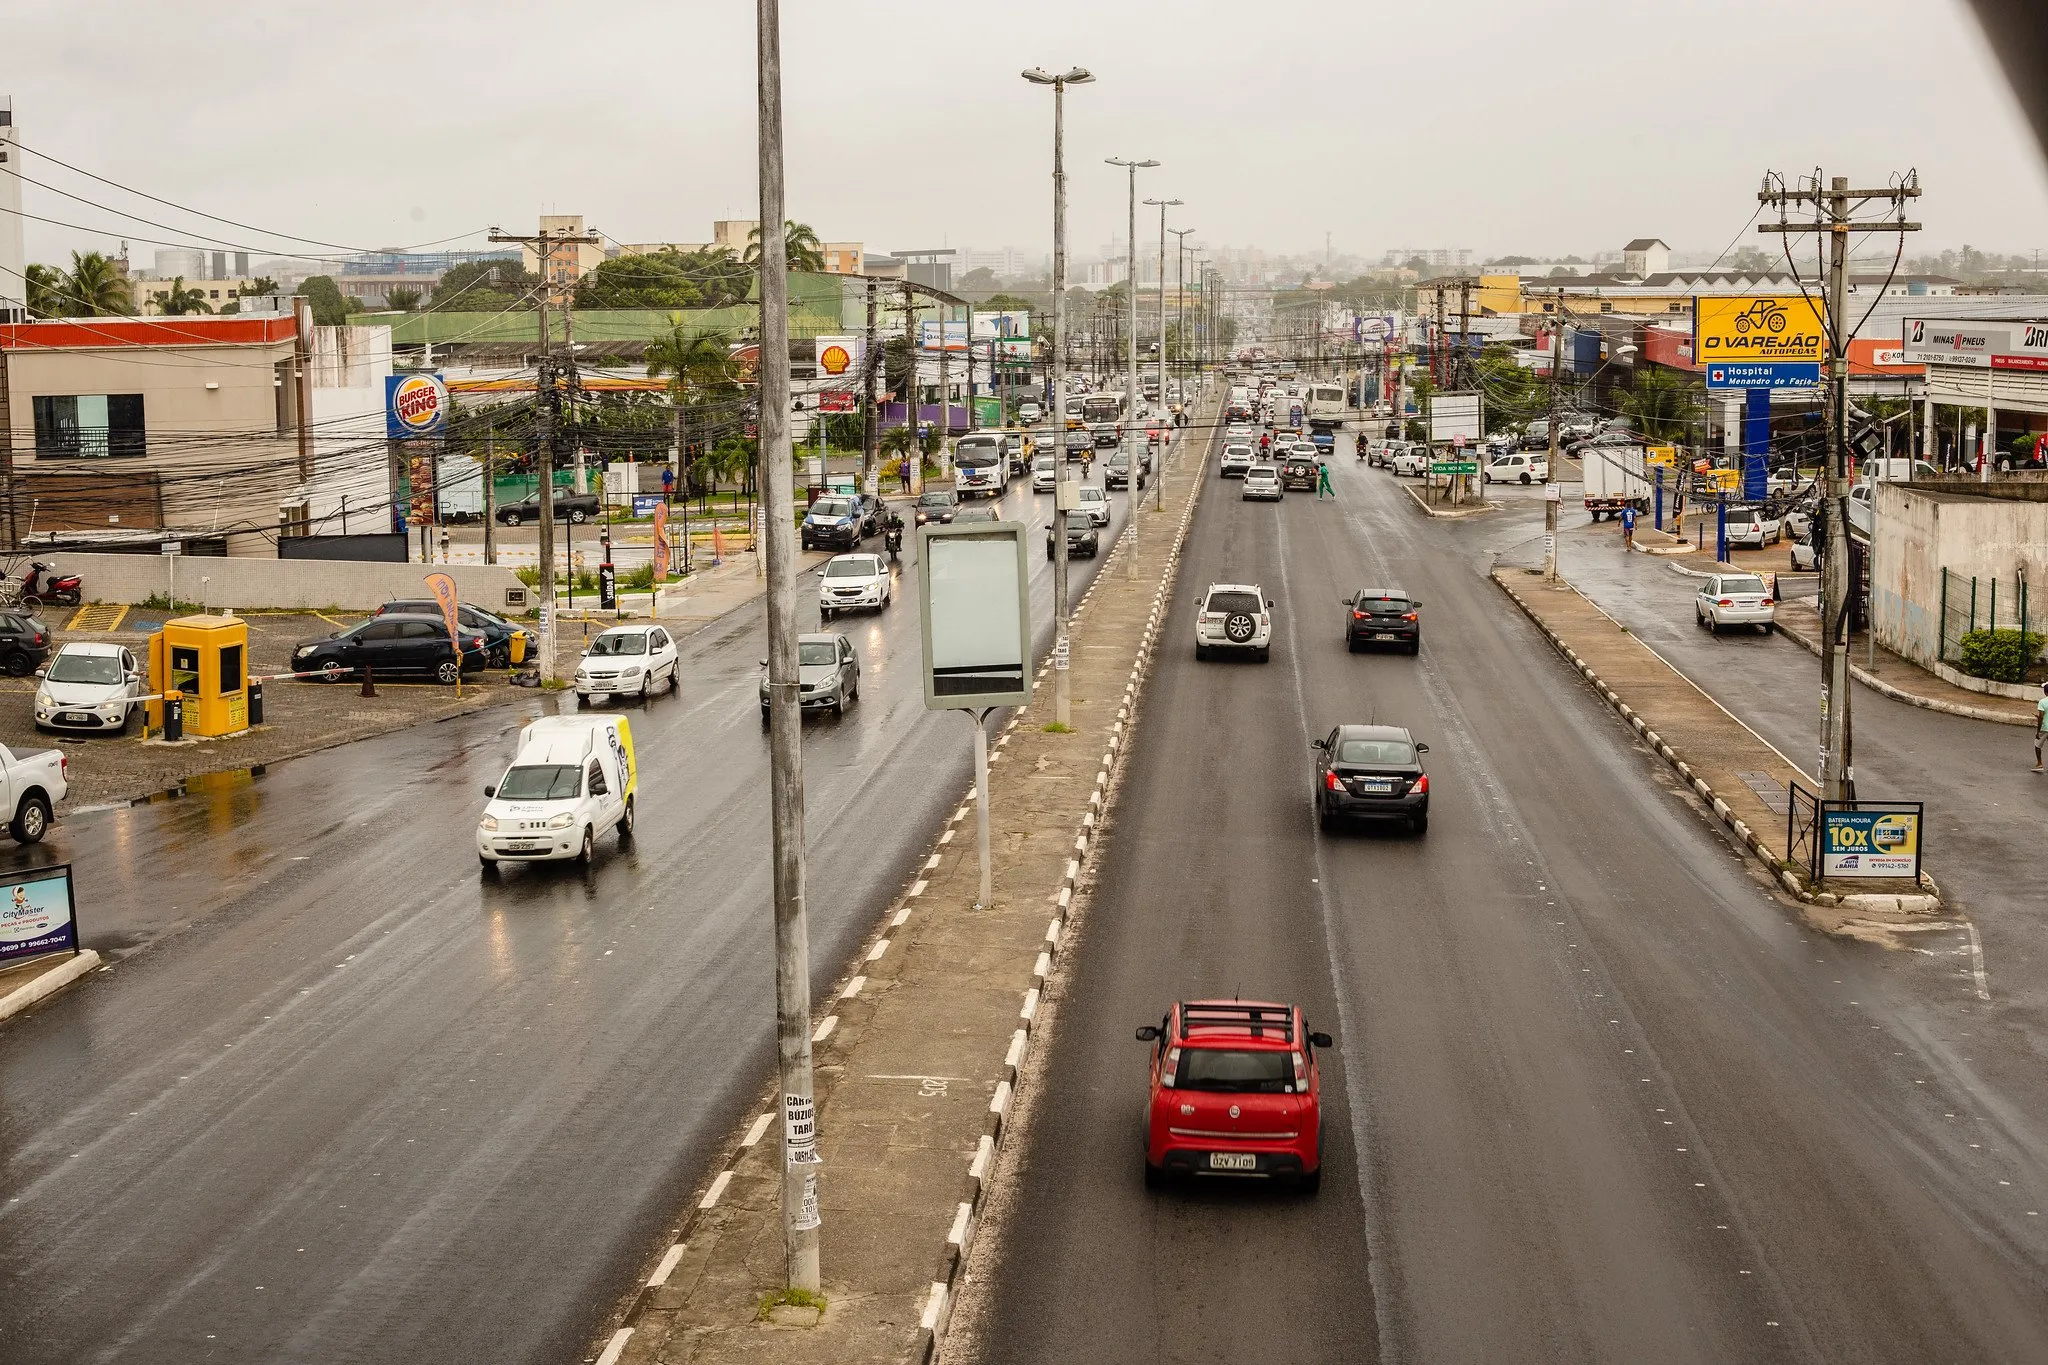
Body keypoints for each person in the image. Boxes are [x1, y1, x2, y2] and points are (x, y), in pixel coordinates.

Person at [2035, 681, 2048, 772]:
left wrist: (2038, 732)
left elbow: (2041, 717)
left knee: (2037, 745)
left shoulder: (2042, 702)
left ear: (2045, 692)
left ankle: (2039, 764)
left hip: (2045, 728)